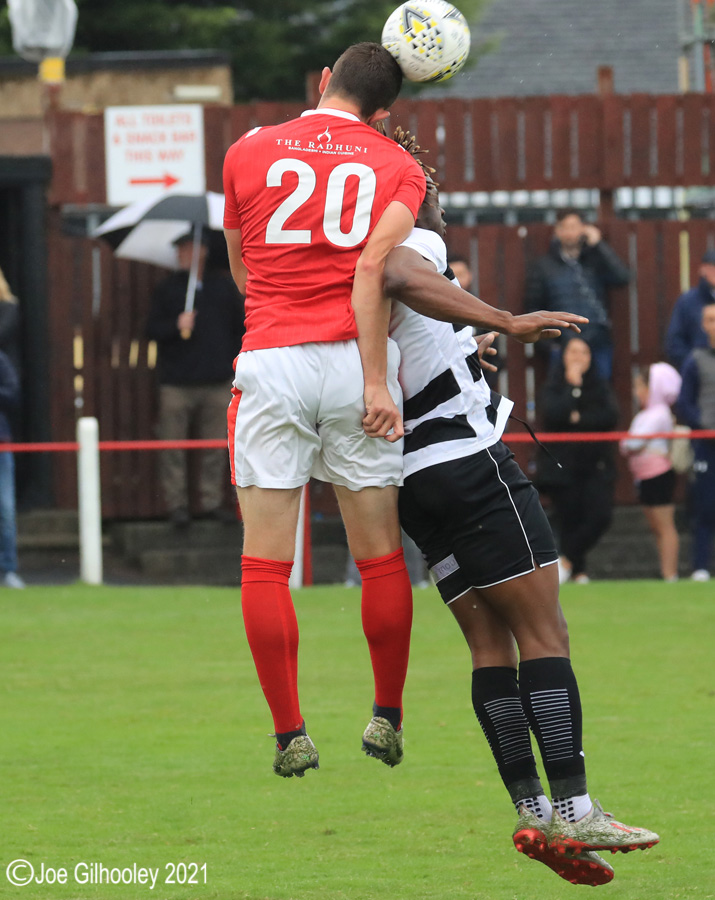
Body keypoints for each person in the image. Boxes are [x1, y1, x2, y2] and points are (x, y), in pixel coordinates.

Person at [379, 140, 658, 886]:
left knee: (488, 646)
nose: (438, 201)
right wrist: (504, 321)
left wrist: (463, 345)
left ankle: (533, 811)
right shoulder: (413, 236)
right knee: (544, 631)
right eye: (431, 185)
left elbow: (403, 332)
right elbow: (406, 274)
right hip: (469, 465)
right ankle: (577, 810)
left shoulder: (353, 250)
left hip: (411, 478)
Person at [222, 42, 428, 778]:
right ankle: (386, 716)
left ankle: (290, 734)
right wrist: (375, 380)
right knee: (379, 557)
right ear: (384, 113)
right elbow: (381, 268)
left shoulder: (248, 150)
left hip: (273, 357)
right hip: (355, 361)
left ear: (321, 82)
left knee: (265, 565)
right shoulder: (399, 166)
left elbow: (242, 268)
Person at [145, 230, 244, 528]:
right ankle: (177, 505)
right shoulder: (167, 289)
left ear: (202, 252)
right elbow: (150, 330)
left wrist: (231, 367)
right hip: (176, 383)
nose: (180, 255)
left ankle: (211, 502)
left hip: (217, 381)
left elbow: (239, 329)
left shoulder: (223, 288)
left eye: (187, 249)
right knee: (172, 446)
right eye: (179, 250)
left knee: (216, 446)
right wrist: (176, 325)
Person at [537, 337, 619, 584]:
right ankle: (578, 570)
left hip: (595, 464)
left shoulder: (600, 386)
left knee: (600, 515)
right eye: (573, 352)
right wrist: (572, 388)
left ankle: (567, 560)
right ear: (563, 356)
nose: (578, 358)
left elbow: (608, 416)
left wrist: (577, 417)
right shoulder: (554, 385)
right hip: (563, 466)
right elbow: (554, 414)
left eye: (584, 353)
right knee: (569, 517)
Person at [524, 209, 630, 380]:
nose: (570, 232)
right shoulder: (544, 267)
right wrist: (550, 346)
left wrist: (599, 244)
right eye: (565, 227)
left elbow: (622, 278)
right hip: (562, 342)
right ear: (557, 231)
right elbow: (533, 307)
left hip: (597, 340)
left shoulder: (595, 260)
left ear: (584, 229)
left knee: (600, 391)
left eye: (575, 227)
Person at [620, 363, 682, 581]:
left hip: (658, 475)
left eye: (640, 386)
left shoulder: (660, 414)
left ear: (653, 387)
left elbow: (632, 443)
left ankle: (670, 573)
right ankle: (666, 571)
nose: (636, 392)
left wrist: (631, 443)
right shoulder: (644, 415)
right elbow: (628, 445)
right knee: (656, 527)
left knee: (665, 526)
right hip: (644, 476)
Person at [677, 299, 715, 581]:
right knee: (705, 506)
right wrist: (703, 425)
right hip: (706, 444)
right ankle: (701, 566)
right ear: (703, 325)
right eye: (711, 320)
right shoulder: (695, 360)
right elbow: (684, 404)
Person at [666, 249, 715, 372]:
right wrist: (694, 366)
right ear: (703, 270)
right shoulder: (688, 302)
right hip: (699, 372)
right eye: (712, 268)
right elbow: (675, 342)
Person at [0, 349, 24, 589]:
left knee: (6, 510)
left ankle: (8, 569)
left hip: (1, 446)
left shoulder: (1, 360)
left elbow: (13, 393)